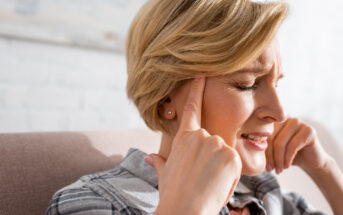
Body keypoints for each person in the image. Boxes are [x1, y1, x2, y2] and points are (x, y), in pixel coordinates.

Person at [46, 0, 343, 214]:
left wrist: (326, 171)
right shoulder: (95, 202)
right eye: (246, 84)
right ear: (166, 97)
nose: (279, 112)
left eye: (276, 84)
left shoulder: (270, 197)